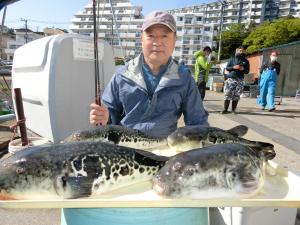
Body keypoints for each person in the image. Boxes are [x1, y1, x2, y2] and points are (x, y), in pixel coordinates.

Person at [61, 11, 209, 225]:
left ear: (175, 41)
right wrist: (102, 116)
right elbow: (108, 118)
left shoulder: (184, 78)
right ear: (141, 39)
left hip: (165, 152)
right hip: (121, 153)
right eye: (151, 36)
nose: (157, 42)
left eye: (164, 36)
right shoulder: (121, 75)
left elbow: (198, 124)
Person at [221, 46, 250, 114]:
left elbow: (247, 71)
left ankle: (233, 110)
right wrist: (234, 67)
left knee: (236, 95)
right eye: (240, 50)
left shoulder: (246, 61)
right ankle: (225, 109)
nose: (241, 52)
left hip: (240, 79)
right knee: (227, 94)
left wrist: (243, 69)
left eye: (242, 51)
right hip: (231, 78)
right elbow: (227, 68)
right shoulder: (232, 59)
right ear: (236, 51)